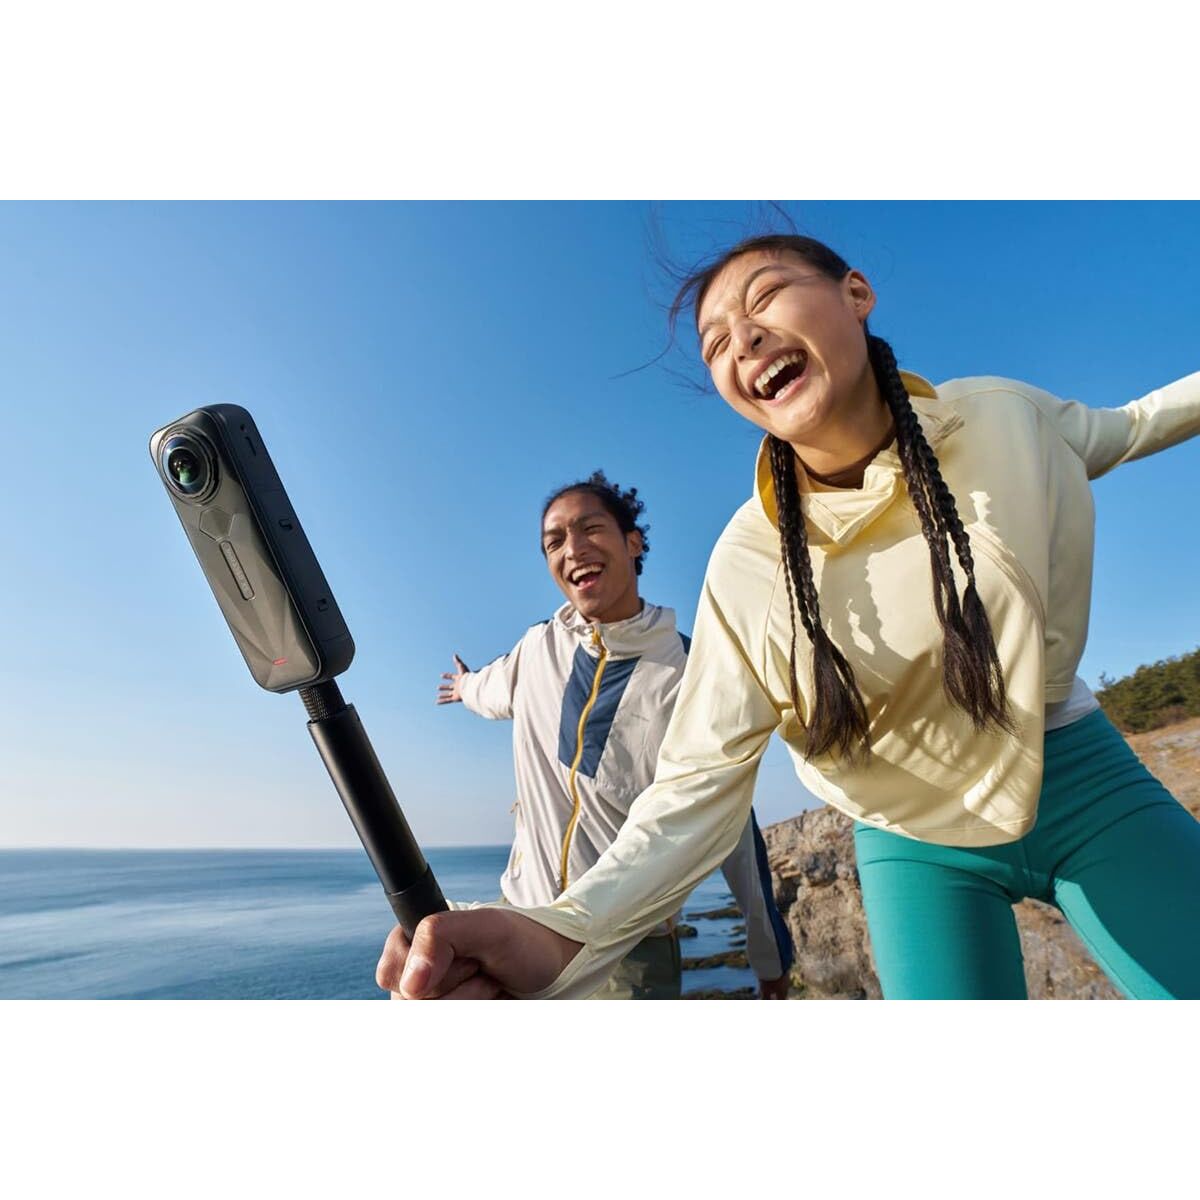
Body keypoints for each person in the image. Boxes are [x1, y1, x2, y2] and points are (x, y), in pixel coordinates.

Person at [378, 233, 1200, 1001]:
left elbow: (1135, 425)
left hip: (1078, 772)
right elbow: (697, 785)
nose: (743, 340)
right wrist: (559, 932)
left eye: (766, 297)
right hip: (908, 834)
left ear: (856, 294)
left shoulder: (1003, 418)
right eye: (715, 344)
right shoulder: (747, 562)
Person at [428, 470, 793, 999]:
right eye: (554, 541)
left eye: (590, 528)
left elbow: (730, 824)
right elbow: (490, 688)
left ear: (633, 542)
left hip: (627, 950)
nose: (572, 549)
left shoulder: (691, 674)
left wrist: (768, 957)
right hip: (522, 922)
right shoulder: (537, 650)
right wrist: (464, 685)